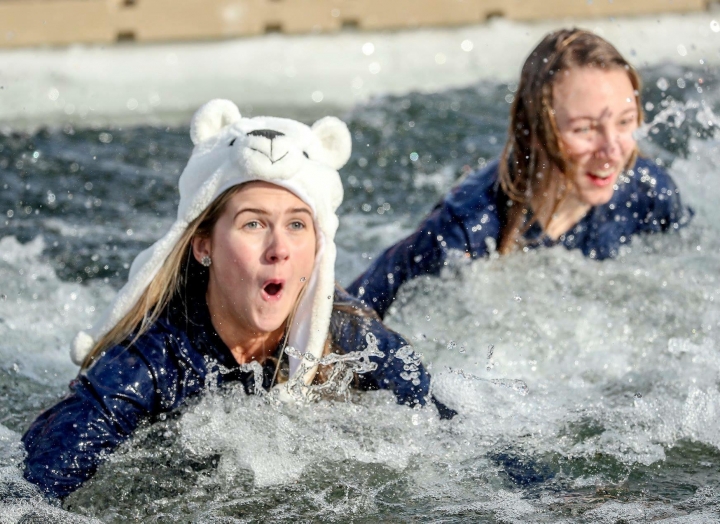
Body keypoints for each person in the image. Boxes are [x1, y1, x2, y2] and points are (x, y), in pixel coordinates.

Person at [22, 100, 454, 500]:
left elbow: (457, 441)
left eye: (297, 225)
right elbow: (32, 496)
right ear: (204, 245)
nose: (279, 248)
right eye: (253, 224)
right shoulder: (151, 358)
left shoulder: (351, 337)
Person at [348, 28, 693, 319]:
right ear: (536, 129)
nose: (612, 150)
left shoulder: (648, 193)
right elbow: (351, 315)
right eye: (586, 129)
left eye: (624, 122)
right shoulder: (467, 229)